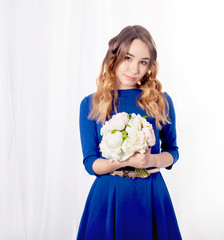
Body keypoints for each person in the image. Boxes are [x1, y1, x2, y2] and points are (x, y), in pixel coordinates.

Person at [77, 25, 182, 240]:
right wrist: (122, 161)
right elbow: (91, 163)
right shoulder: (91, 104)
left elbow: (173, 151)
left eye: (143, 62)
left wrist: (150, 159)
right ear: (114, 57)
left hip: (151, 194)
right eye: (128, 58)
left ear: (150, 66)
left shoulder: (160, 101)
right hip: (109, 198)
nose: (135, 69)